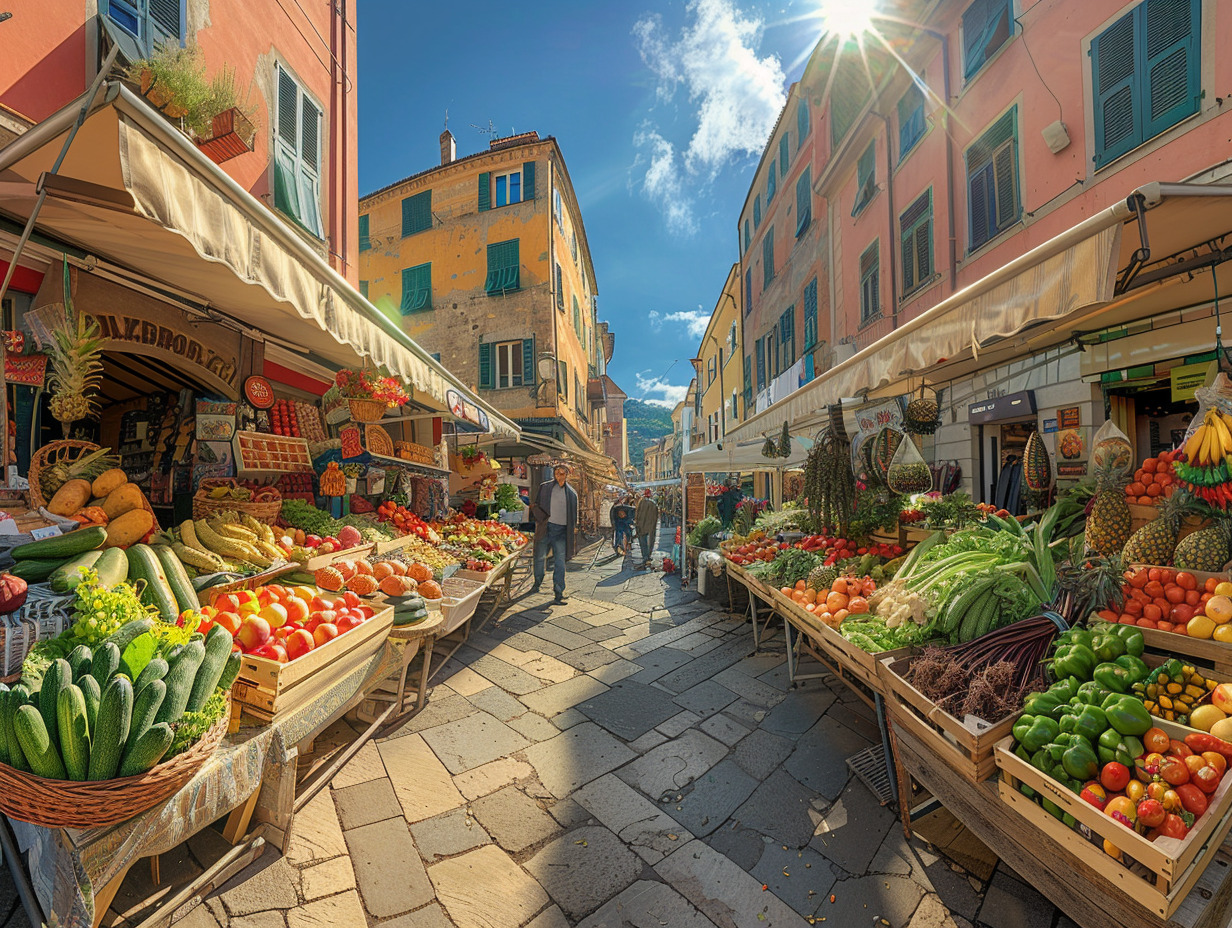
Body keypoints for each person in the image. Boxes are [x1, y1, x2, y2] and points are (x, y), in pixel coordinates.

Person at [531, 464, 578, 603]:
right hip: (546, 527)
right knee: (539, 557)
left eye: (563, 473)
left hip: (561, 531)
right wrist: (540, 518)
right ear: (554, 474)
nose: (560, 476)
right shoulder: (545, 487)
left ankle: (558, 591)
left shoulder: (572, 494)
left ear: (567, 475)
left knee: (560, 562)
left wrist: (572, 533)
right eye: (557, 473)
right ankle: (537, 583)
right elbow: (536, 504)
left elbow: (573, 517)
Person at [634, 488, 659, 569]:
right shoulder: (654, 504)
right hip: (651, 527)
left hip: (641, 526)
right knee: (650, 542)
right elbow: (656, 516)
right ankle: (648, 556)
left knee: (643, 543)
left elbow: (637, 515)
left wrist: (637, 524)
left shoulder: (641, 503)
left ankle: (645, 557)